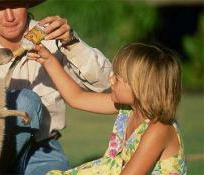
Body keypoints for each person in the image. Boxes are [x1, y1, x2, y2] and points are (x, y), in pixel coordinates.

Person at [0, 0, 112, 174]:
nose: (9, 17)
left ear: (27, 4)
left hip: (44, 149)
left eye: (15, 4)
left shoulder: (53, 36)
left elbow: (107, 85)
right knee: (25, 101)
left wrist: (71, 42)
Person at [27, 42, 187, 174]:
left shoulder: (159, 129)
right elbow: (77, 98)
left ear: (140, 88)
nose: (110, 80)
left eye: (117, 78)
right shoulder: (128, 108)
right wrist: (48, 60)